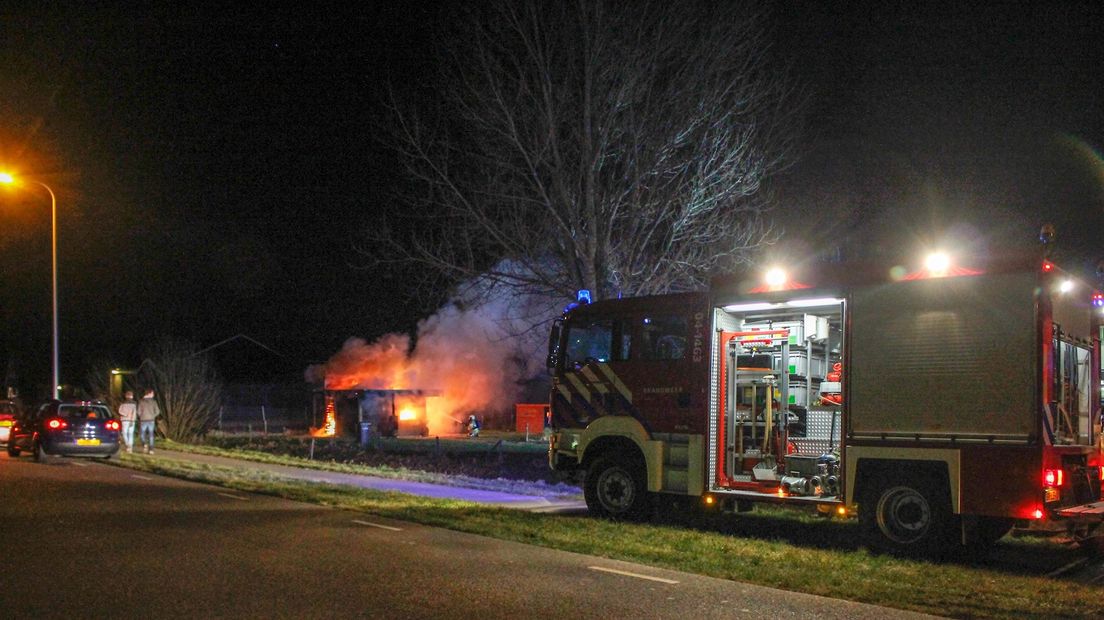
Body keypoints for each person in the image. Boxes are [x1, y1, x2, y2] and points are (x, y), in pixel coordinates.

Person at [137, 389, 161, 454]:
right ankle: (151, 449)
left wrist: (141, 416)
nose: (153, 395)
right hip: (150, 420)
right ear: (149, 394)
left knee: (142, 434)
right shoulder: (153, 402)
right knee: (151, 435)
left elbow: (138, 412)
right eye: (152, 393)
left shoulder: (141, 401)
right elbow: (158, 411)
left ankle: (145, 445)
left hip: (144, 420)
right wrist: (153, 415)